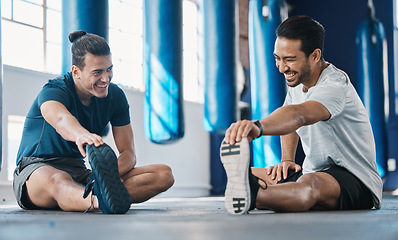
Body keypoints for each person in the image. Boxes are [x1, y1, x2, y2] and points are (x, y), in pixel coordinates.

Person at [220, 16, 383, 214]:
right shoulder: (299, 83)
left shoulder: (334, 86)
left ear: (315, 56)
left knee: (309, 184)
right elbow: (290, 121)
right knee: (250, 173)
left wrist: (258, 127)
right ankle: (266, 190)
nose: (281, 68)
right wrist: (287, 160)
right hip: (314, 172)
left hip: (355, 178)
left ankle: (255, 196)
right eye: (277, 58)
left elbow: (299, 115)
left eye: (289, 59)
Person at [13, 30, 174, 214]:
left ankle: (92, 194)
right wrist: (81, 135)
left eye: (109, 69)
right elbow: (60, 119)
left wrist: (105, 176)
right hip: (36, 170)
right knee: (59, 179)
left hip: (80, 172)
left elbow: (128, 153)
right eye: (97, 72)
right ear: (76, 71)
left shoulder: (115, 97)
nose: (105, 79)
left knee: (163, 174)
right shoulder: (54, 90)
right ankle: (99, 201)